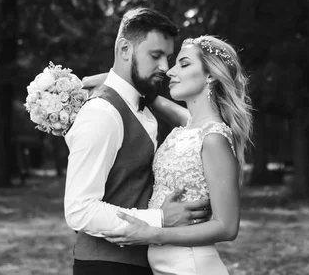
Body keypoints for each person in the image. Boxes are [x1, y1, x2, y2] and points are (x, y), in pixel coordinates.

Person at [83, 35, 253, 275]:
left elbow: (227, 227)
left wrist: (153, 232)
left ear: (211, 74)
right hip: (165, 265)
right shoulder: (192, 127)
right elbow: (160, 104)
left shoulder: (214, 139)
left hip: (191, 265)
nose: (170, 71)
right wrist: (114, 83)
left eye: (184, 64)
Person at [64, 8, 212, 275]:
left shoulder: (141, 108)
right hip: (106, 267)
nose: (166, 68)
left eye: (168, 57)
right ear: (124, 50)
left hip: (142, 263)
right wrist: (161, 219)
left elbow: (204, 125)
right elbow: (79, 209)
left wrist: (152, 99)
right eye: (155, 56)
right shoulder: (102, 113)